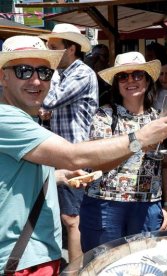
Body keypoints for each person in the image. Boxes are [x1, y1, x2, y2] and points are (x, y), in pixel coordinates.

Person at [0, 35, 167, 275]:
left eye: (44, 72)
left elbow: (16, 174)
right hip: (20, 257)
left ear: (148, 81)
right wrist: (140, 139)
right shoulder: (7, 117)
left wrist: (60, 176)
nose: (36, 80)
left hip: (35, 254)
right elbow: (74, 155)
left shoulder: (25, 116)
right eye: (24, 71)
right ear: (2, 76)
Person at [79, 51, 167, 252]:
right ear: (116, 84)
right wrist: (137, 144)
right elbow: (98, 165)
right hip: (105, 204)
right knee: (102, 268)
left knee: (142, 266)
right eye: (123, 76)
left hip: (147, 206)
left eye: (137, 75)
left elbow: (166, 163)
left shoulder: (158, 119)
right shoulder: (104, 115)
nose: (130, 80)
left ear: (148, 81)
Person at [38, 23, 99, 262]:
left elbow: (51, 100)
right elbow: (47, 108)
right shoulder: (66, 74)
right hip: (65, 154)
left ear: (71, 48)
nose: (50, 53)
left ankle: (77, 271)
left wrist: (49, 71)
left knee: (73, 220)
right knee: (70, 219)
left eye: (54, 48)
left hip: (76, 156)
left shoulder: (81, 73)